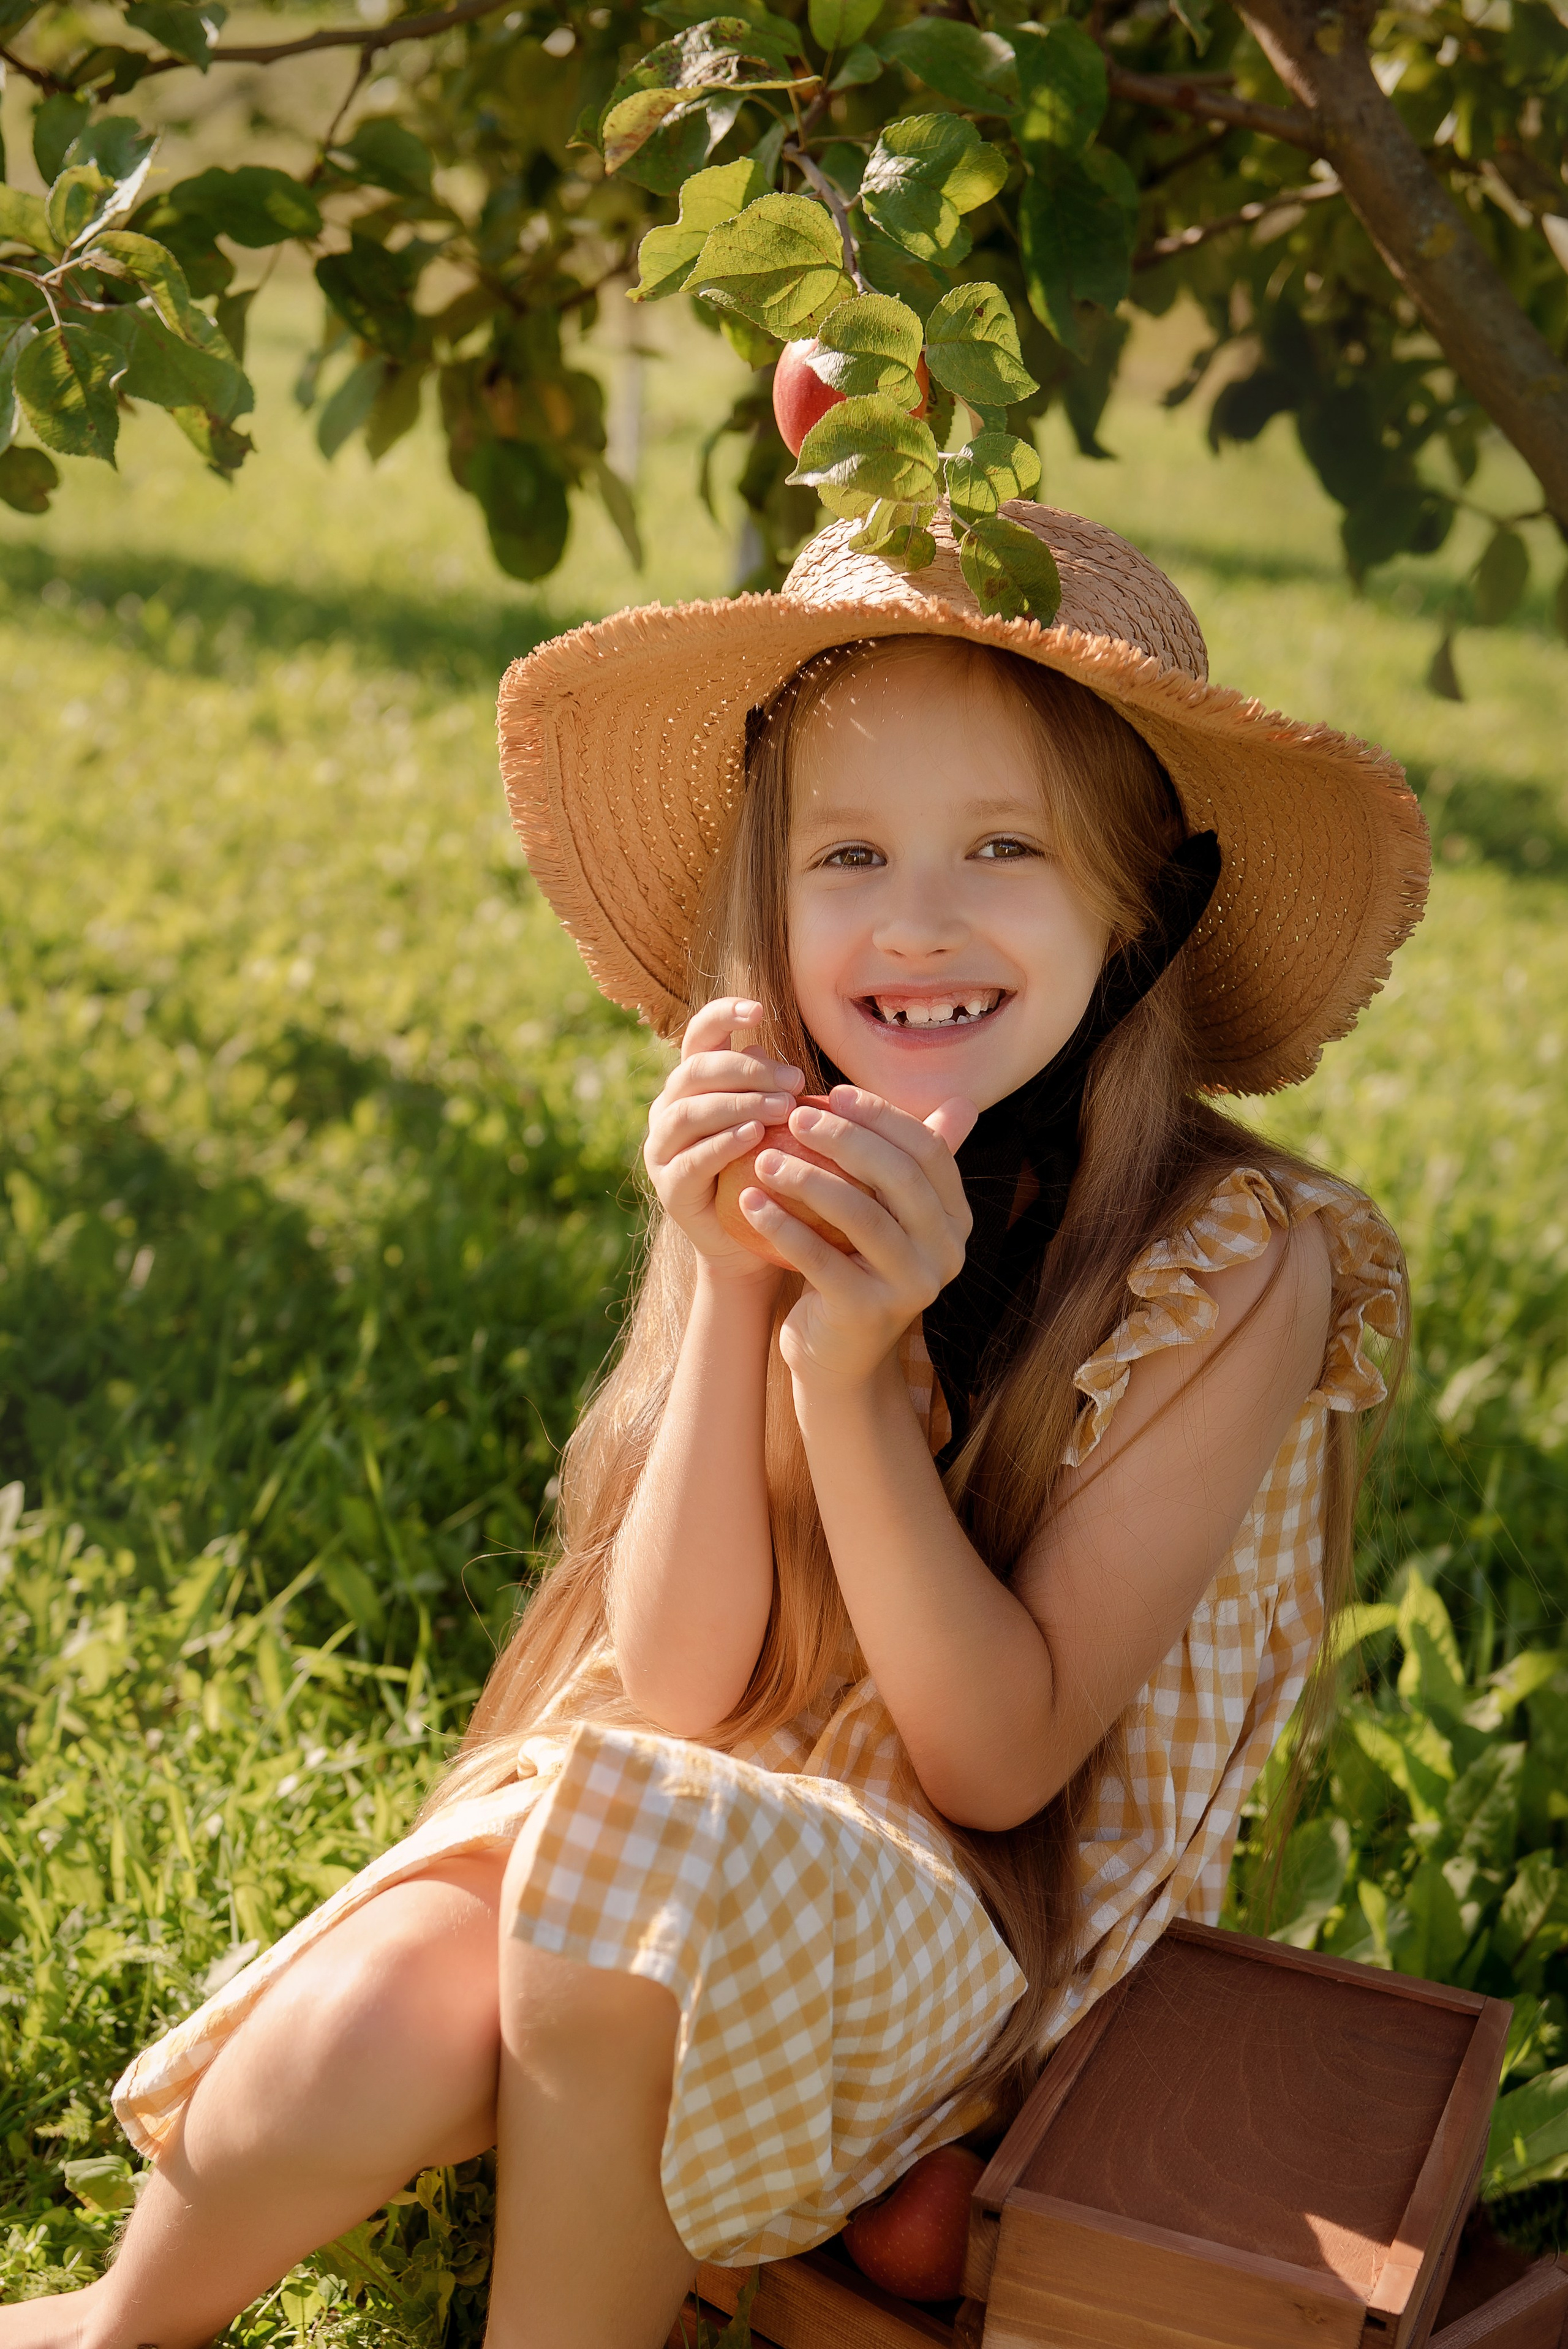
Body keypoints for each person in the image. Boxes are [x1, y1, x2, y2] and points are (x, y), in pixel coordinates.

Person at [2, 501, 1425, 2348]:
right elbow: (672, 1690)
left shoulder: (1237, 1258)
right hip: (693, 1854)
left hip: (989, 1959)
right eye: (849, 853)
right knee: (412, 1982)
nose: (916, 917)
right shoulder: (774, 1158)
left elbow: (999, 1766)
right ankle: (115, 2327)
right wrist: (737, 1288)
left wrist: (852, 1381)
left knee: (642, 1839)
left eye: (1004, 846)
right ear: (771, 911)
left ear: (1136, 903)